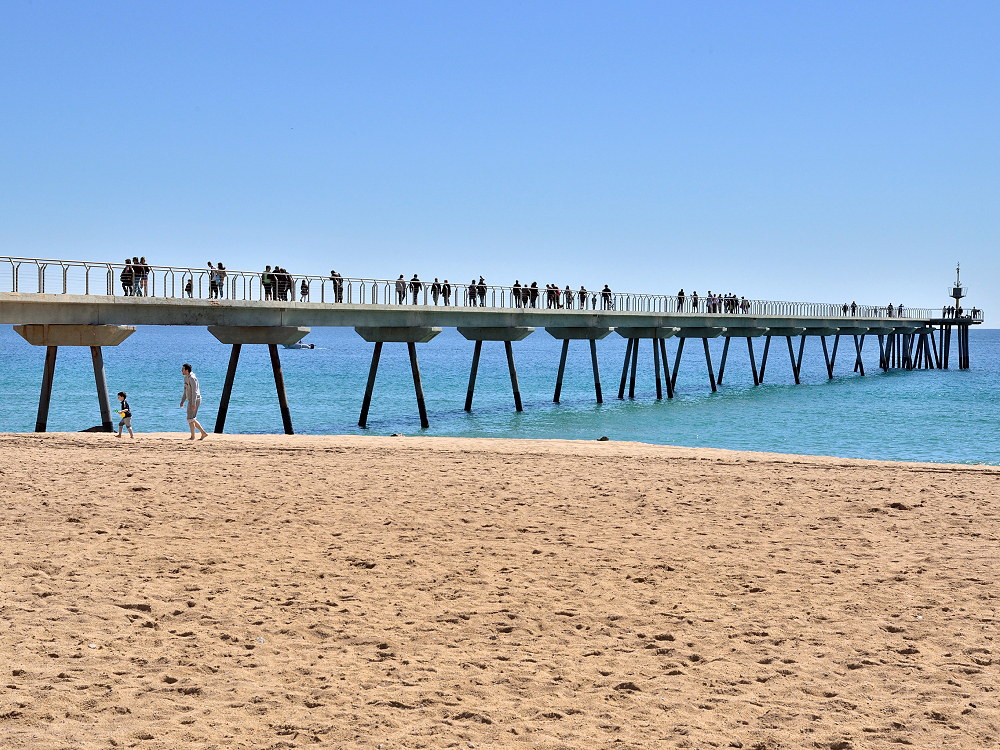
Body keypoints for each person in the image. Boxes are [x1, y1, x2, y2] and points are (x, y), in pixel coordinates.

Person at [180, 363, 208, 440]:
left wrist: (193, 404)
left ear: (187, 370)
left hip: (195, 400)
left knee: (190, 418)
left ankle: (193, 437)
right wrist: (182, 401)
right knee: (192, 418)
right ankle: (203, 433)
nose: (181, 370)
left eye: (183, 369)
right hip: (190, 400)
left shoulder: (192, 378)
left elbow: (195, 392)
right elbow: (185, 390)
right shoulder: (186, 378)